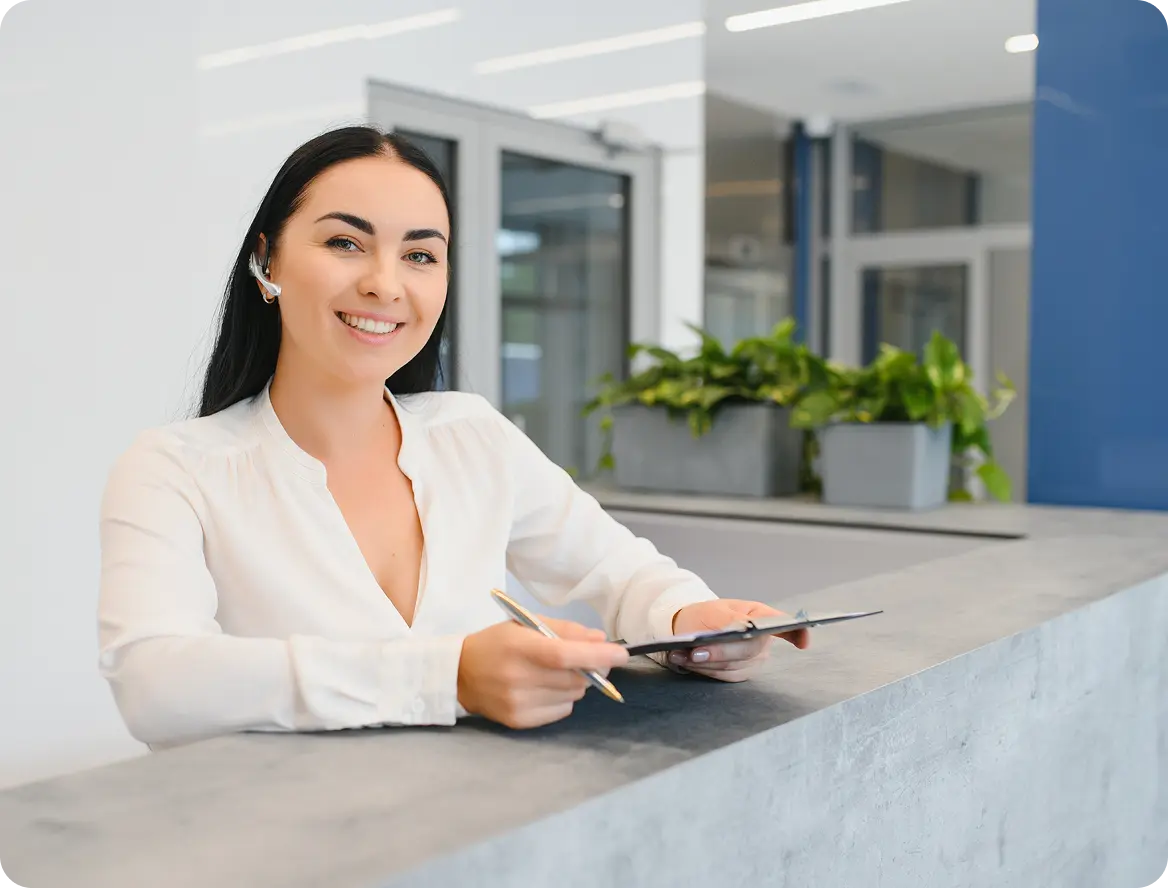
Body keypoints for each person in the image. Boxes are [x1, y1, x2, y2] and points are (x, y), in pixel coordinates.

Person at [97, 125, 810, 749]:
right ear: (269, 262)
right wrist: (449, 677)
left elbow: (620, 572)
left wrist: (694, 622)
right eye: (345, 242)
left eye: (419, 255)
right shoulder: (176, 469)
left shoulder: (471, 435)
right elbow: (156, 682)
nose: (385, 284)